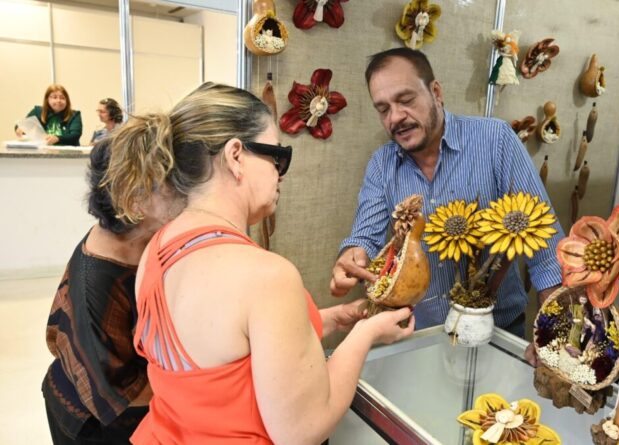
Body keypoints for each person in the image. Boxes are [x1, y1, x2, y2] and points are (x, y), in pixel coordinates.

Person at [103, 82, 414, 444]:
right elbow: (302, 430)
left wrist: (333, 319)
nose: (280, 174)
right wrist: (365, 335)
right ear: (236, 156)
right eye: (276, 157)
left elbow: (224, 352)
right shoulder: (267, 276)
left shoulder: (157, 250)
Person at [330, 48, 564, 338]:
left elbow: (546, 248)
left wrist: (552, 334)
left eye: (405, 100)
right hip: (419, 335)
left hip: (497, 330)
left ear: (436, 92)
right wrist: (352, 256)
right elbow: (365, 236)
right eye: (383, 109)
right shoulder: (382, 164)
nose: (396, 118)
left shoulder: (496, 141)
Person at [43, 138, 184, 444]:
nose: (183, 190)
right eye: (170, 183)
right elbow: (123, 394)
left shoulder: (134, 234)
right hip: (90, 419)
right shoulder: (98, 286)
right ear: (134, 200)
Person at [15, 84, 83, 146]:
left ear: (67, 101)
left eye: (62, 98)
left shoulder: (74, 115)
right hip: (43, 153)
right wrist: (19, 128)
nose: (58, 100)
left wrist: (58, 138)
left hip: (68, 154)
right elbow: (21, 125)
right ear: (47, 99)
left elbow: (75, 135)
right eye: (54, 97)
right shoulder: (37, 111)